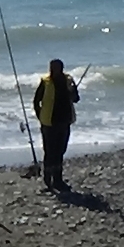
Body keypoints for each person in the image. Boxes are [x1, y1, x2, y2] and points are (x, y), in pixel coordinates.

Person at [32, 59, 80, 192]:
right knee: (49, 150)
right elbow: (36, 101)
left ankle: (58, 179)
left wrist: (73, 91)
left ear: (62, 68)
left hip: (64, 120)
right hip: (48, 122)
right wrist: (40, 116)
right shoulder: (45, 82)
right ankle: (48, 179)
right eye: (52, 68)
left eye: (56, 68)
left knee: (60, 150)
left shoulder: (68, 81)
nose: (53, 71)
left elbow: (76, 99)